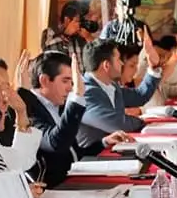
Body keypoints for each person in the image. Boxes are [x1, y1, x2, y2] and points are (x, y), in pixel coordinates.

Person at [17, 51, 130, 188]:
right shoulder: (28, 110)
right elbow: (56, 143)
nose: (70, 88)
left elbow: (74, 154)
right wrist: (77, 97)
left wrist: (104, 142)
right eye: (65, 81)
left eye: (72, 82)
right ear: (44, 80)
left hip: (74, 180)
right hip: (52, 190)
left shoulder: (59, 105)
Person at [80, 36, 161, 133]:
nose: (122, 63)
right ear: (106, 65)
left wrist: (153, 67)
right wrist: (142, 122)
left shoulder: (111, 85)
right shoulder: (85, 92)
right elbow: (117, 124)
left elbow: (140, 96)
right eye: (118, 59)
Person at [41, 1, 87, 70]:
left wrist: (88, 38)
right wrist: (66, 34)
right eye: (77, 21)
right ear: (67, 20)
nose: (79, 25)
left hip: (81, 76)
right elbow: (49, 51)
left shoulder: (80, 37)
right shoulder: (50, 32)